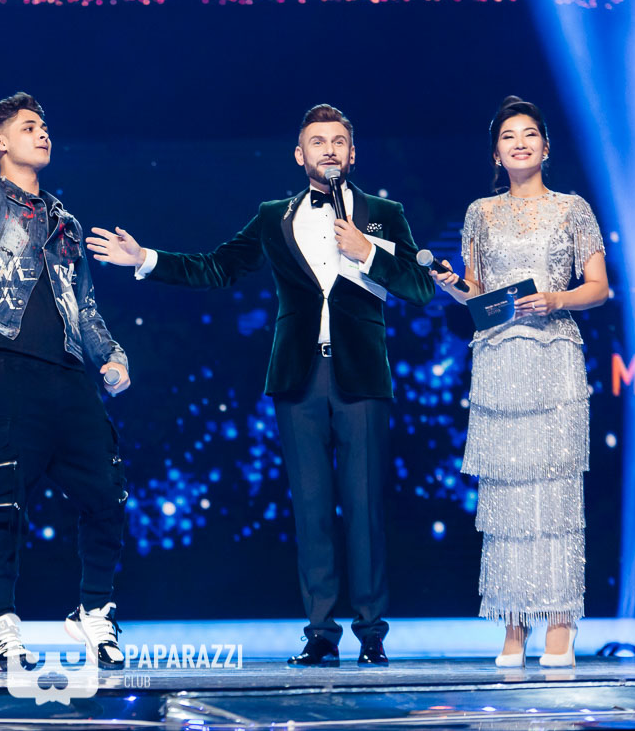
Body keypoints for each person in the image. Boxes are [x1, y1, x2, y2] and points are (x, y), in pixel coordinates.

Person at [87, 105, 434, 667]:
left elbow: (420, 288)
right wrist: (144, 258)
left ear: (352, 154)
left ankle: (372, 633)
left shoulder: (383, 214)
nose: (328, 149)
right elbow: (218, 267)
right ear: (299, 155)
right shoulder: (275, 216)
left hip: (362, 376)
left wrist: (367, 251)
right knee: (312, 509)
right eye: (317, 141)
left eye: (338, 141)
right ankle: (320, 632)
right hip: (299, 377)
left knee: (364, 508)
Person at [0, 5, 131, 672]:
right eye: (27, 127)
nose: (41, 133)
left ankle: (94, 614)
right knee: (1, 502)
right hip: (3, 366)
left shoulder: (66, 222)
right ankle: (1, 626)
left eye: (43, 126)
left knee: (106, 492)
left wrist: (109, 354)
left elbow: (84, 303)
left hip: (68, 376)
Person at [429, 96, 608, 668]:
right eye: (509, 136)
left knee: (555, 493)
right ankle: (513, 625)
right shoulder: (480, 212)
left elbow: (599, 287)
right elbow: (478, 297)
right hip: (499, 360)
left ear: (546, 147)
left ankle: (560, 623)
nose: (520, 143)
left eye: (530, 134)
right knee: (507, 495)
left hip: (554, 357)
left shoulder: (573, 209)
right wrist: (452, 285)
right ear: (496, 154)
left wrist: (556, 298)